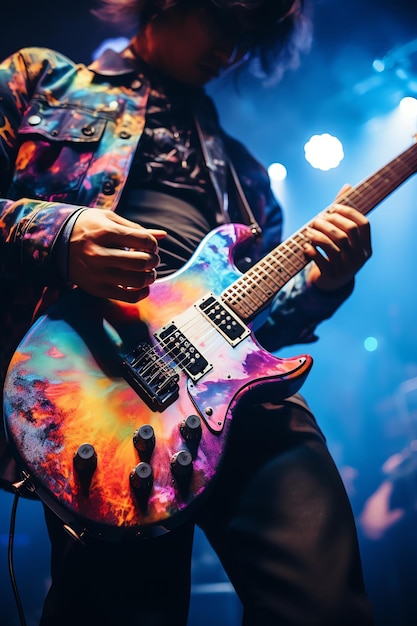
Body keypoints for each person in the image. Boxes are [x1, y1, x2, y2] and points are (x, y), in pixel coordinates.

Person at [0, 0, 375, 624]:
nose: (229, 52)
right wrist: (60, 236)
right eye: (225, 23)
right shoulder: (41, 79)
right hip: (102, 389)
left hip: (235, 393)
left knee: (325, 605)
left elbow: (259, 330)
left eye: (246, 40)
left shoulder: (249, 181)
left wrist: (323, 283)